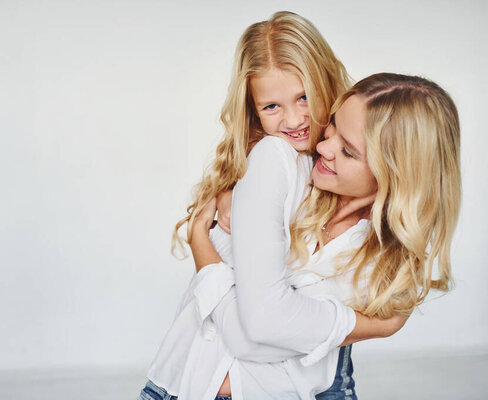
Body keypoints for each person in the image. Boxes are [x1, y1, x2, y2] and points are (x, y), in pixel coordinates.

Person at [138, 12, 412, 400]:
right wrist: (202, 243)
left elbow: (281, 326)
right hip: (198, 381)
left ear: (325, 85)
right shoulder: (270, 160)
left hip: (311, 382)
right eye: (272, 107)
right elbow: (258, 330)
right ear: (253, 110)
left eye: (304, 97)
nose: (296, 120)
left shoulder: (365, 182)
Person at [186, 72, 460, 399]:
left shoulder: (382, 266)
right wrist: (231, 192)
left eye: (348, 152)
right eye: (332, 127)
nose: (322, 146)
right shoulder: (291, 169)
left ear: (396, 177)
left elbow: (252, 336)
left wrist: (200, 245)